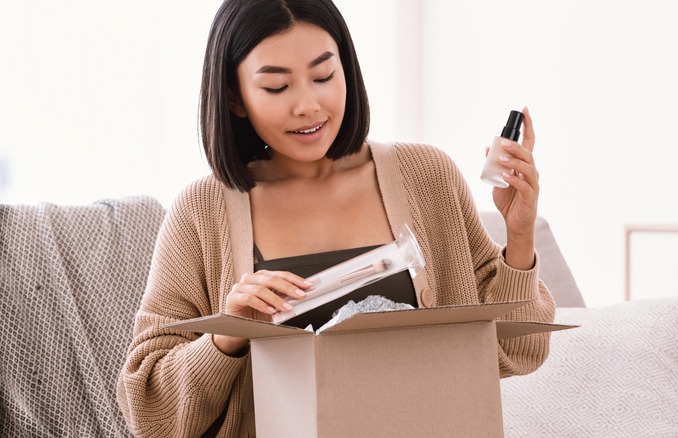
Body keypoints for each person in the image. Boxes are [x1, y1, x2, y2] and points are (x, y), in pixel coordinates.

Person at [116, 0, 556, 436]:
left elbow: (518, 351)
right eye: (276, 87)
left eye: (324, 76)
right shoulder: (202, 211)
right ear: (234, 97)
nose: (308, 105)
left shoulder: (426, 176)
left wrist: (519, 238)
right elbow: (150, 413)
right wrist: (227, 337)